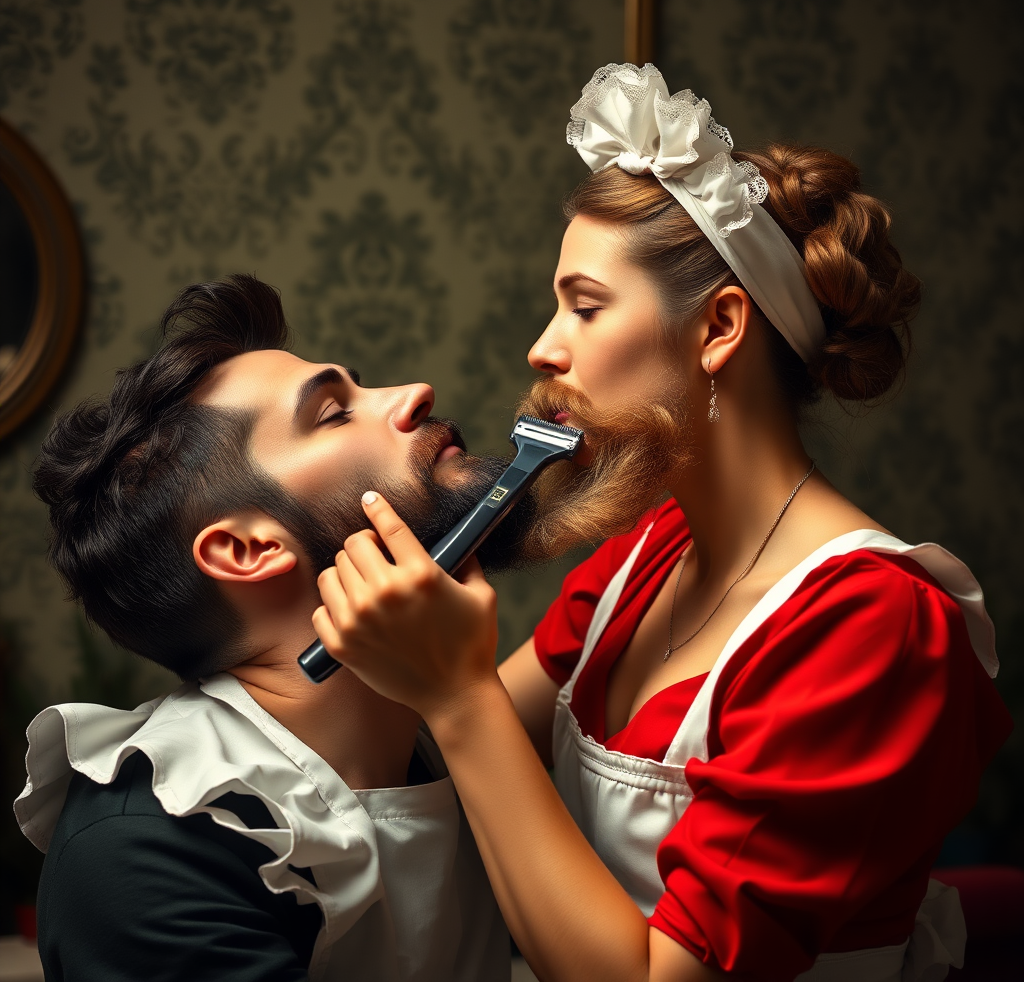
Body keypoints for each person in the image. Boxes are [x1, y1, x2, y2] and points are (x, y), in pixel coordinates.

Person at [311, 64, 1014, 982]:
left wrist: (457, 692)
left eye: (585, 305)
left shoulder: (872, 628)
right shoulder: (649, 556)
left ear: (719, 328)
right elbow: (435, 754)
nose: (543, 346)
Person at [14, 274, 525, 981]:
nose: (415, 394)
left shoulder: (441, 744)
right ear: (250, 550)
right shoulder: (147, 852)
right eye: (334, 414)